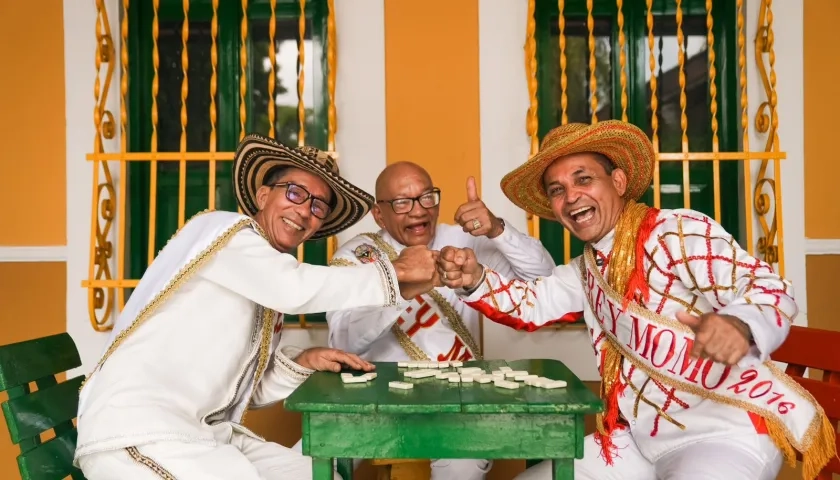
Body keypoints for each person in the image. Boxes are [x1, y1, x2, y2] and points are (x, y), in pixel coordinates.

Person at [436, 121, 835, 480]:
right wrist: (474, 279)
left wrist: (739, 325)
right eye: (557, 190)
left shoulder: (675, 232)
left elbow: (769, 287)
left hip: (726, 432)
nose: (571, 196)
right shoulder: (585, 270)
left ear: (619, 181)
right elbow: (531, 303)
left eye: (583, 179)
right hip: (639, 441)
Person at [73, 135, 440, 480]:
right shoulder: (225, 232)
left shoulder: (265, 277)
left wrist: (303, 361)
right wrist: (396, 272)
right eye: (294, 192)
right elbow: (294, 289)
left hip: (203, 436)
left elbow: (246, 391)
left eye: (317, 206)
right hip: (138, 430)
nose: (304, 210)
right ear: (263, 195)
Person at [318, 161, 556, 480]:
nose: (419, 210)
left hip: (456, 400)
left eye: (427, 197)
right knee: (311, 459)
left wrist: (497, 230)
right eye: (402, 202)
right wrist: (400, 288)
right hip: (374, 401)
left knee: (463, 465)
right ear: (379, 214)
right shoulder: (357, 256)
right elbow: (342, 341)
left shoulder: (465, 240)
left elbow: (544, 281)